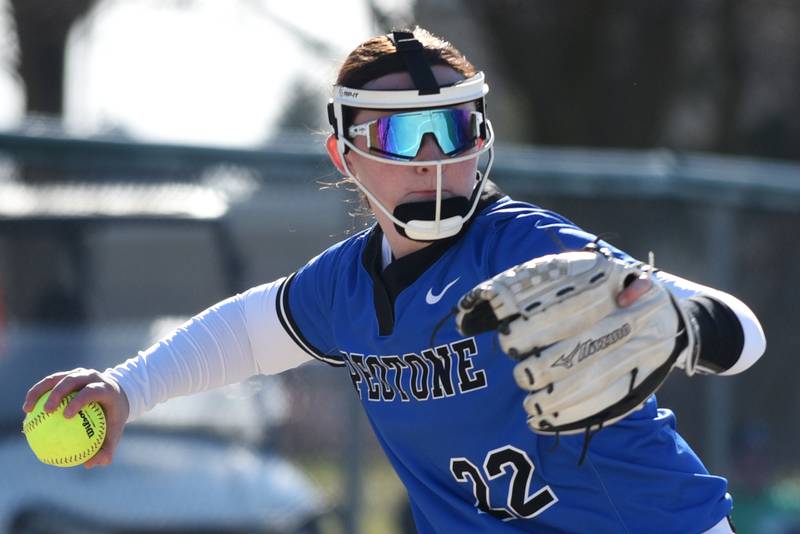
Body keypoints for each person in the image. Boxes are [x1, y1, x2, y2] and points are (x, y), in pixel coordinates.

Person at [23, 27, 766, 533]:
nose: (437, 159)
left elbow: (740, 335)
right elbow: (246, 334)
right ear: (344, 155)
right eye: (406, 134)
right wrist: (124, 389)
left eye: (460, 128)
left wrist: (686, 320)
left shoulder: (523, 247)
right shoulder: (344, 289)